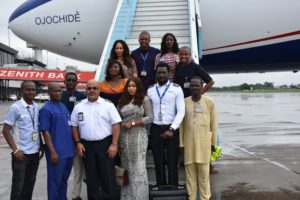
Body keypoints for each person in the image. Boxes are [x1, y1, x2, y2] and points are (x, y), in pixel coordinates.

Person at [71, 80, 122, 200]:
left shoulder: (108, 105)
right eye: (89, 88)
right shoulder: (79, 106)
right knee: (91, 178)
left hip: (105, 145)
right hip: (86, 146)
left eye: (95, 88)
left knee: (107, 177)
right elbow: (74, 126)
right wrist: (78, 142)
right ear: (86, 91)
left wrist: (114, 144)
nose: (92, 90)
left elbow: (116, 125)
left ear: (99, 90)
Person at [179, 76, 218, 200]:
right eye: (193, 85)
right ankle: (191, 198)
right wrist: (181, 143)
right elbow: (180, 125)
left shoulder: (209, 102)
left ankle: (205, 198)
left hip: (204, 145)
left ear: (202, 87)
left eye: (197, 85)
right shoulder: (184, 102)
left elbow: (214, 124)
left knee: (204, 177)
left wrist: (214, 144)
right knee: (190, 177)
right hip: (188, 144)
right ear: (189, 87)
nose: (195, 88)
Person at [2, 81, 41, 200]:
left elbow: (37, 129)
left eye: (33, 90)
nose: (31, 92)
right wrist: (15, 150)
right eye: (27, 89)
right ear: (22, 90)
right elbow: (6, 130)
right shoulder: (15, 107)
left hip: (34, 153)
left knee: (30, 184)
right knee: (18, 186)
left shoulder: (35, 106)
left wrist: (41, 147)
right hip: (21, 154)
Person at [147, 62, 185, 186]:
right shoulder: (151, 90)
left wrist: (172, 129)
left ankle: (173, 187)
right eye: (159, 72)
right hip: (156, 129)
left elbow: (181, 111)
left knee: (172, 161)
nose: (161, 75)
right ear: (156, 74)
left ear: (169, 74)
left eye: (164, 72)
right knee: (158, 160)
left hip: (172, 129)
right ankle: (160, 187)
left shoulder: (176, 88)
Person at [117, 78, 153, 200]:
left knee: (138, 166)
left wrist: (133, 123)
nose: (131, 88)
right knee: (126, 167)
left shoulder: (144, 99)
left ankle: (140, 197)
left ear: (138, 87)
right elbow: (117, 119)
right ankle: (127, 197)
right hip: (123, 137)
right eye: (129, 86)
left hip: (139, 136)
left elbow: (150, 118)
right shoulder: (122, 101)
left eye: (134, 86)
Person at [39, 82, 75, 200]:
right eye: (55, 91)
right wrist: (52, 151)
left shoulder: (63, 106)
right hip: (57, 152)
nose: (58, 93)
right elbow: (45, 132)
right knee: (55, 182)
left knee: (64, 180)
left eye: (60, 90)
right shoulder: (46, 109)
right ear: (49, 92)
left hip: (69, 151)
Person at [60, 71, 86, 200]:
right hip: (63, 139)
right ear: (64, 82)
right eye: (68, 80)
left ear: (77, 82)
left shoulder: (82, 96)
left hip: (77, 138)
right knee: (62, 170)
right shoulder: (59, 96)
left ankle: (76, 195)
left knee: (78, 169)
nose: (70, 82)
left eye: (73, 80)